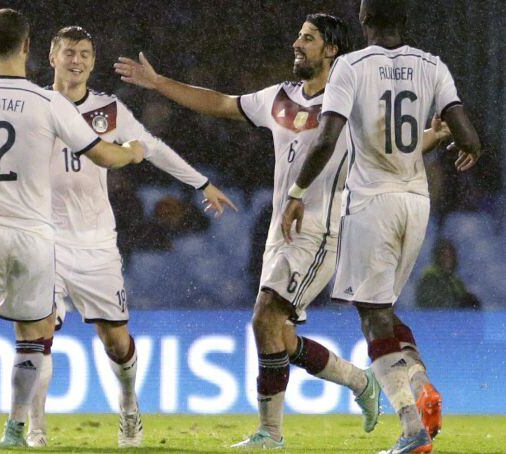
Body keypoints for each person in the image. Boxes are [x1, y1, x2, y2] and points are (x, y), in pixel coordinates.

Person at [116, 12, 450, 449]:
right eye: (298, 36)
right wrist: (162, 84)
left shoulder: (350, 101)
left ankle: (270, 434)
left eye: (307, 38)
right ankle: (358, 382)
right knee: (277, 334)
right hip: (281, 233)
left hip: (320, 234)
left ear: (331, 50)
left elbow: (393, 148)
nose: (297, 43)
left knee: (264, 319)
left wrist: (432, 136)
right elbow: (221, 102)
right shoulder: (280, 98)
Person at [0, 25, 236, 448]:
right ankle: (33, 427)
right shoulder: (38, 102)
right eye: (69, 52)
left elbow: (150, 145)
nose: (76, 60)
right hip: (43, 239)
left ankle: (130, 407)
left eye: (84, 53)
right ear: (50, 57)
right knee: (38, 334)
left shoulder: (110, 110)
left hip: (96, 243)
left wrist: (201, 183)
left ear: (93, 61)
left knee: (116, 342)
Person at [0, 9, 146, 448]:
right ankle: (17, 430)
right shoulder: (49, 103)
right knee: (34, 338)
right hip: (35, 237)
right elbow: (103, 155)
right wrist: (134, 153)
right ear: (30, 48)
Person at [280, 1, 481, 452]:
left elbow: (327, 139)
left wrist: (296, 194)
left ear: (365, 20)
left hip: (371, 202)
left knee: (372, 318)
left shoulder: (350, 66)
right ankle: (421, 383)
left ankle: (412, 428)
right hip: (416, 202)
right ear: (404, 20)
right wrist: (467, 149)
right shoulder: (433, 65)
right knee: (383, 309)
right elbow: (468, 137)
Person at [416, 238, 480, 309]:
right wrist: (458, 304)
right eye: (444, 255)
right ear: (437, 257)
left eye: (451, 256)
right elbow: (431, 303)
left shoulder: (455, 281)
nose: (448, 259)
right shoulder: (429, 277)